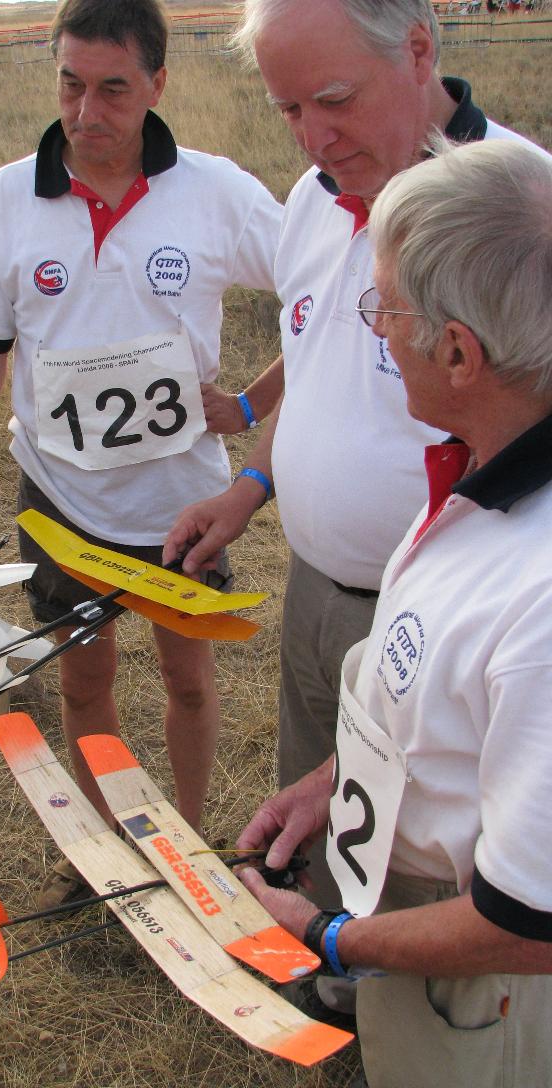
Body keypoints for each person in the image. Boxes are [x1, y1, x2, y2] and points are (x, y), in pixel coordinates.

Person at [0, 0, 283, 907]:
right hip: (62, 504)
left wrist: (252, 404)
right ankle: (105, 856)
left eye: (113, 89)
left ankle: (188, 850)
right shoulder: (7, 198)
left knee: (188, 679)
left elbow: (327, 293)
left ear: (157, 84)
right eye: (70, 84)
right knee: (84, 680)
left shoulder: (215, 192)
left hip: (183, 504)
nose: (86, 111)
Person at [164, 0, 547, 912]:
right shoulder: (311, 199)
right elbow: (312, 362)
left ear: (417, 50)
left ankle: (363, 966)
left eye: (334, 99)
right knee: (315, 824)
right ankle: (321, 959)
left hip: (453, 639)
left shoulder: (523, 211)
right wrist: (250, 488)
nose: (313, 138)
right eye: (288, 109)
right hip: (315, 592)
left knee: (417, 881)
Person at [231, 136, 552, 1088]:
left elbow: (529, 925)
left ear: (458, 351)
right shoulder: (479, 460)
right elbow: (456, 716)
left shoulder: (539, 600)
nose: (374, 331)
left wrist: (328, 937)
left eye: (385, 310)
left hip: (482, 989)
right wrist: (338, 779)